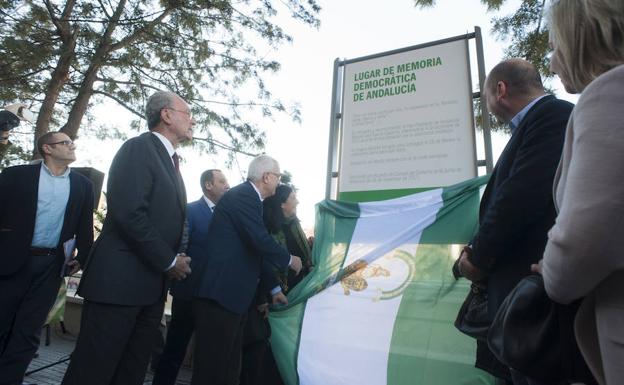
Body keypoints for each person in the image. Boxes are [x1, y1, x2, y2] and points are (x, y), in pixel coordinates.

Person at [62, 91, 193, 385]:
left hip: (150, 288)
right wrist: (169, 259)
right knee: (93, 371)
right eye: (187, 113)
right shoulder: (138, 149)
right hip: (119, 285)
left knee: (131, 373)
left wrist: (176, 257)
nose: (192, 120)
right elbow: (130, 213)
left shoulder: (170, 160)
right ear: (166, 115)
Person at [454, 59, 573, 384]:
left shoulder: (552, 117)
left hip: (533, 308)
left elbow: (517, 198)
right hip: (519, 303)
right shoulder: (538, 124)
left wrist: (477, 259)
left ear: (500, 90)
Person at [537, 1, 624, 385]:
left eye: (556, 48)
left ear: (584, 39)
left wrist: (550, 270)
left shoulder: (610, 94)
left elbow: (581, 243)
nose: (553, 63)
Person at [191, 155, 302, 385]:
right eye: (278, 176)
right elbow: (260, 240)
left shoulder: (251, 199)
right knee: (213, 370)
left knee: (230, 369)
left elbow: (253, 249)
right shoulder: (244, 196)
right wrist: (290, 259)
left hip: (233, 299)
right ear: (267, 176)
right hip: (221, 296)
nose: (279, 182)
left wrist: (273, 289)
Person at [0, 131, 94, 385]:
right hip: (10, 263)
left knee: (28, 332)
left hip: (51, 267)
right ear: (47, 149)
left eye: (72, 142)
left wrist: (83, 257)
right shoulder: (15, 176)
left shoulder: (83, 185)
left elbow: (84, 227)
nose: (72, 146)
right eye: (65, 143)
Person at [152, 169, 230, 385]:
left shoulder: (228, 215)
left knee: (207, 356)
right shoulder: (190, 211)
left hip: (215, 298)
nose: (227, 185)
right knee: (175, 349)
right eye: (222, 181)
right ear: (208, 185)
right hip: (188, 294)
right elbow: (180, 248)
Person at [263, 183, 313, 292]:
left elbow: (299, 250)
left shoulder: (294, 222)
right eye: (293, 198)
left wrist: (310, 244)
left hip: (304, 280)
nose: (297, 202)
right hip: (283, 289)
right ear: (282, 204)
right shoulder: (268, 230)